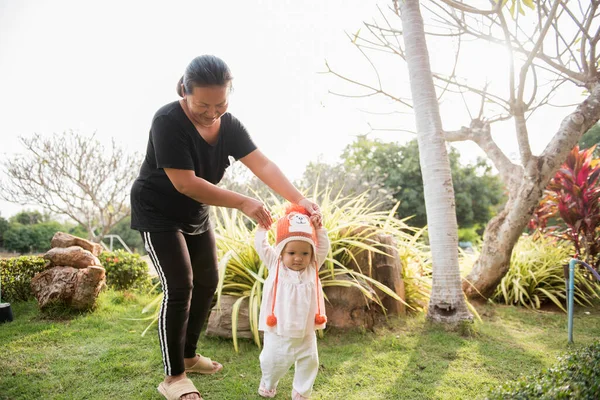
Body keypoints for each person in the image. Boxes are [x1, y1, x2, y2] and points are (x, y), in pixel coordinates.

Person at [130, 55, 321, 400]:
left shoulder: (229, 125)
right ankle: (173, 378)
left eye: (220, 103)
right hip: (157, 211)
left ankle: (188, 355)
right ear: (184, 92)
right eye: (203, 104)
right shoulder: (167, 121)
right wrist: (243, 201)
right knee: (180, 285)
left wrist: (300, 199)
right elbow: (185, 183)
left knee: (208, 281)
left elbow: (261, 163)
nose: (212, 112)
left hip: (195, 213)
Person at [254, 204, 330, 400]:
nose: (298, 258)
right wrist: (263, 228)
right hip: (279, 330)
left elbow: (323, 247)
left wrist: (319, 228)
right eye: (292, 253)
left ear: (311, 254)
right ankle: (268, 383)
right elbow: (261, 246)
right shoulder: (275, 264)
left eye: (305, 253)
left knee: (309, 361)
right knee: (273, 362)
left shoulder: (313, 267)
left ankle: (301, 392)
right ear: (281, 252)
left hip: (306, 331)